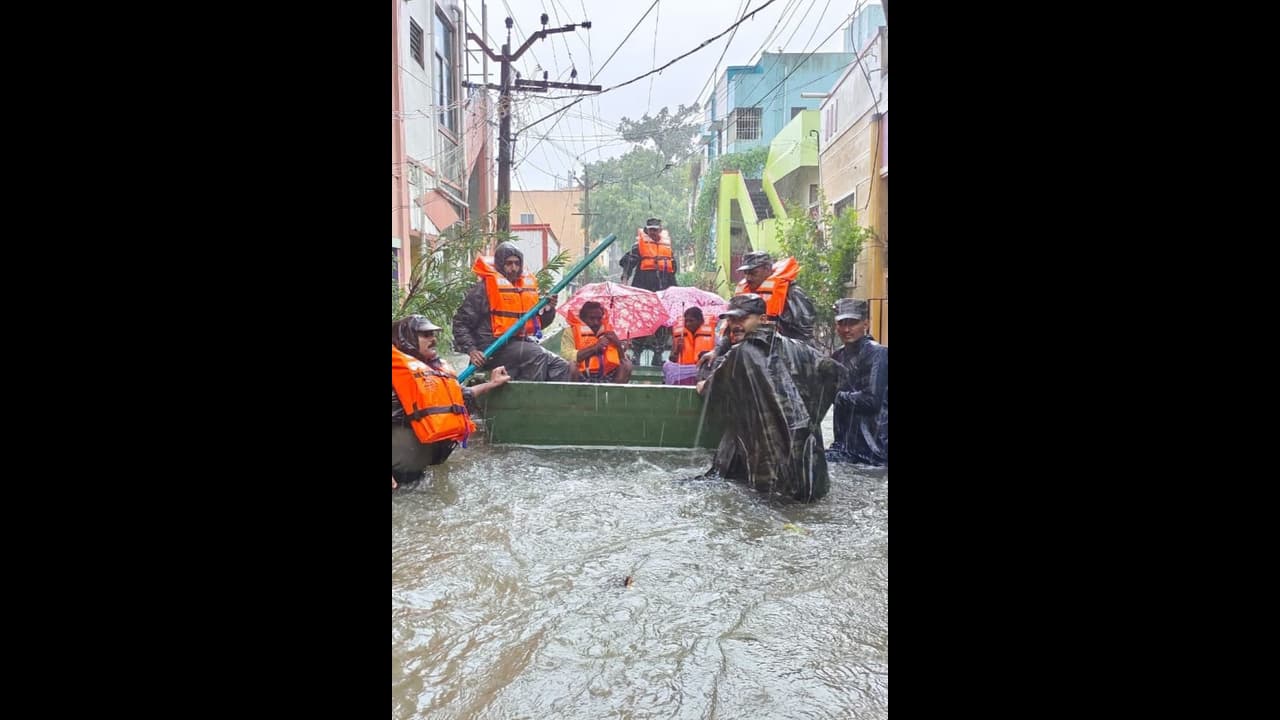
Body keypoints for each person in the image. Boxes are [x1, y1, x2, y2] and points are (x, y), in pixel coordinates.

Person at [696, 294, 840, 502]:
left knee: (770, 509)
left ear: (763, 319)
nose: (735, 325)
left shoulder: (740, 354)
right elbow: (833, 373)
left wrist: (701, 384)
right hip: (807, 463)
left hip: (770, 467)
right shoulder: (799, 348)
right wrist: (810, 418)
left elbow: (711, 389)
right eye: (732, 320)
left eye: (742, 319)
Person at [392, 315, 511, 487]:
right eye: (425, 335)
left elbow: (459, 397)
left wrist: (491, 384)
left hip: (416, 473)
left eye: (433, 334)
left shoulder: (431, 370)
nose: (433, 339)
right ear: (407, 339)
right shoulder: (397, 374)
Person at [452, 241, 576, 381]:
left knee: (560, 366)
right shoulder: (483, 289)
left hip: (518, 342)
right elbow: (460, 323)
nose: (514, 268)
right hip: (492, 347)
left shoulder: (523, 289)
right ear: (500, 265)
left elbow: (538, 325)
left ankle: (556, 401)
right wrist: (472, 350)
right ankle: (530, 398)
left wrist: (549, 309)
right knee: (536, 354)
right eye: (509, 264)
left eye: (517, 263)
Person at [826, 298, 888, 466]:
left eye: (852, 323)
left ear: (865, 324)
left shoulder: (878, 354)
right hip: (844, 448)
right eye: (842, 323)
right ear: (836, 326)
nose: (846, 329)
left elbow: (871, 400)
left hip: (874, 451)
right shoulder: (837, 356)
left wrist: (835, 396)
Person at [620, 218, 678, 366]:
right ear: (646, 230)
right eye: (650, 229)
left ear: (660, 229)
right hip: (643, 291)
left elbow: (673, 270)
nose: (653, 232)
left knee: (663, 322)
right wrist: (625, 280)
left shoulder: (668, 248)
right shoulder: (638, 246)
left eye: (655, 229)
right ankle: (636, 354)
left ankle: (658, 354)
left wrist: (675, 291)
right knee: (641, 321)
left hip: (663, 291)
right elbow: (627, 263)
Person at [568, 301, 633, 383]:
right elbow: (567, 356)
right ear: (582, 318)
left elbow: (621, 359)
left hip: (607, 376)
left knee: (627, 364)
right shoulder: (570, 332)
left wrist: (618, 345)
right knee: (571, 365)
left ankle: (614, 395)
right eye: (591, 318)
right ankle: (574, 395)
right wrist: (596, 347)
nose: (596, 322)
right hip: (581, 375)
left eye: (599, 318)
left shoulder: (609, 332)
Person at [663, 306, 716, 385]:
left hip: (703, 374)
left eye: (691, 321)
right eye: (686, 321)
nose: (688, 324)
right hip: (682, 374)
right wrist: (677, 351)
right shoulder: (679, 337)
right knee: (666, 365)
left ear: (700, 321)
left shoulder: (714, 337)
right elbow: (672, 359)